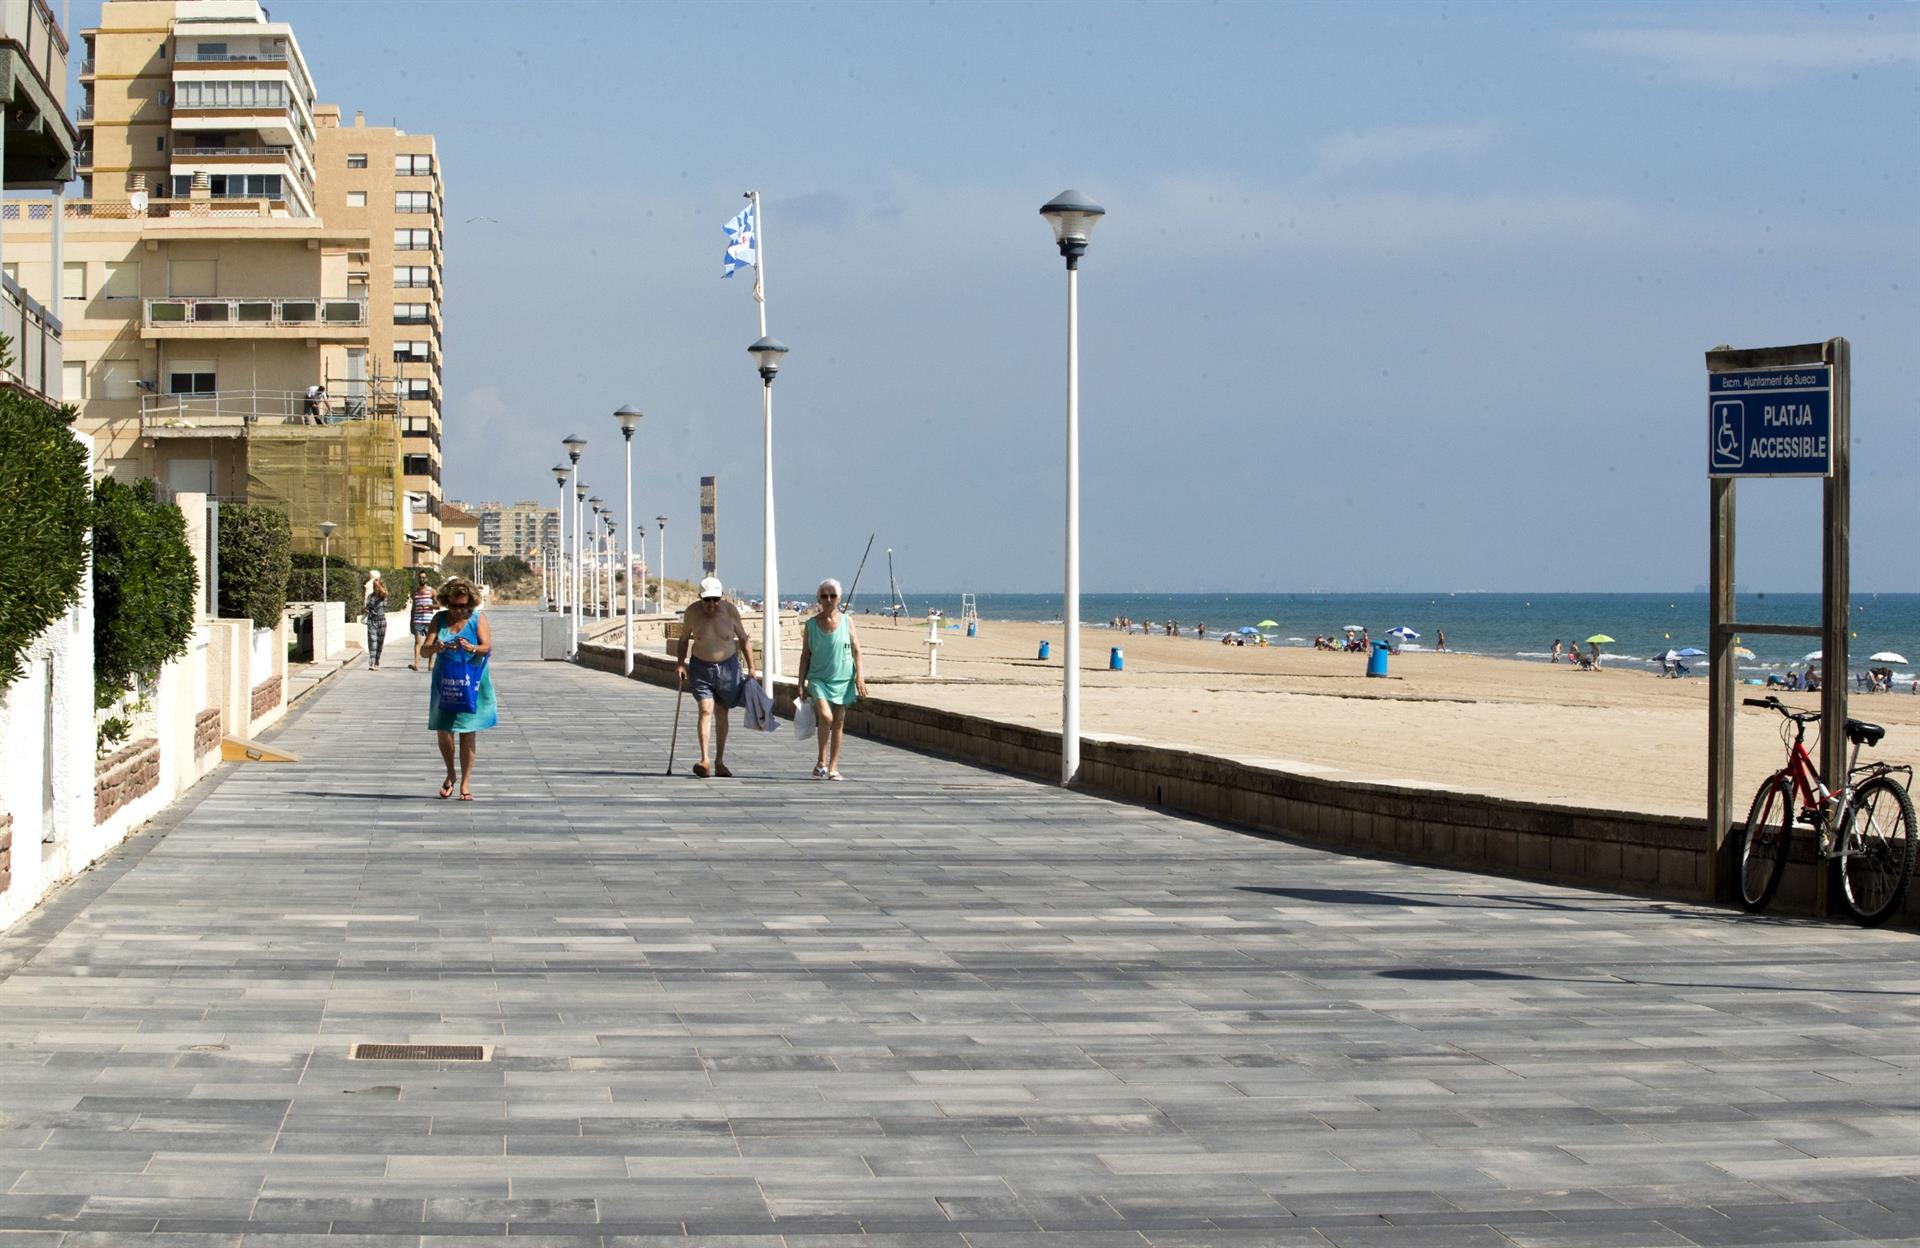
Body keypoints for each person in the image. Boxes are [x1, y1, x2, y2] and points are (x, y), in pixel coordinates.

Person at [421, 576, 495, 801]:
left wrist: (471, 647)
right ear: (446, 602)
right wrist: (438, 646)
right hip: (445, 682)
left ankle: (465, 782)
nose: (457, 610)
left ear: (470, 603)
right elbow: (425, 651)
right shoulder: (439, 619)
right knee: (444, 730)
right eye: (453, 605)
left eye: (462, 606)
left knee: (467, 730)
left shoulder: (477, 619)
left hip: (471, 682)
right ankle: (450, 772)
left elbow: (487, 648)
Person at [675, 577, 756, 778]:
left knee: (722, 712)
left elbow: (744, 640)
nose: (711, 604)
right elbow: (684, 639)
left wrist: (752, 668)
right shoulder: (692, 613)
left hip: (728, 668)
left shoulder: (730, 612)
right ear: (699, 598)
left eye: (715, 599)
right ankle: (705, 760)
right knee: (705, 710)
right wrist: (680, 663)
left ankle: (720, 760)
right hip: (701, 667)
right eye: (707, 600)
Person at [797, 578, 869, 780]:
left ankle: (833, 766)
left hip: (844, 679)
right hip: (818, 679)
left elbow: (857, 649)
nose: (828, 599)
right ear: (819, 598)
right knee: (826, 717)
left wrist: (859, 678)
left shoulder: (847, 621)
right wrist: (800, 683)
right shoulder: (811, 625)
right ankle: (821, 760)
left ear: (839, 598)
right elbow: (805, 656)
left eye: (833, 595)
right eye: (824, 596)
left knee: (838, 721)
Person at [407, 571, 436, 670]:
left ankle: (430, 665)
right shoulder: (415, 592)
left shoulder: (431, 591)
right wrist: (411, 621)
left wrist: (428, 605)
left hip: (429, 621)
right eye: (420, 578)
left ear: (427, 579)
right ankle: (416, 664)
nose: (422, 579)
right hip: (417, 620)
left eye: (424, 578)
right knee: (417, 642)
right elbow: (413, 608)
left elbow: (438, 605)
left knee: (430, 643)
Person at [363, 573, 389, 670]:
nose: (375, 588)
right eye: (374, 586)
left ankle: (377, 661)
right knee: (372, 642)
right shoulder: (371, 596)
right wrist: (365, 610)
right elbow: (366, 607)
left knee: (379, 643)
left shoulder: (383, 596)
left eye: (376, 586)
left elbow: (384, 592)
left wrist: (377, 582)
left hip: (381, 621)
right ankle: (372, 663)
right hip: (372, 621)